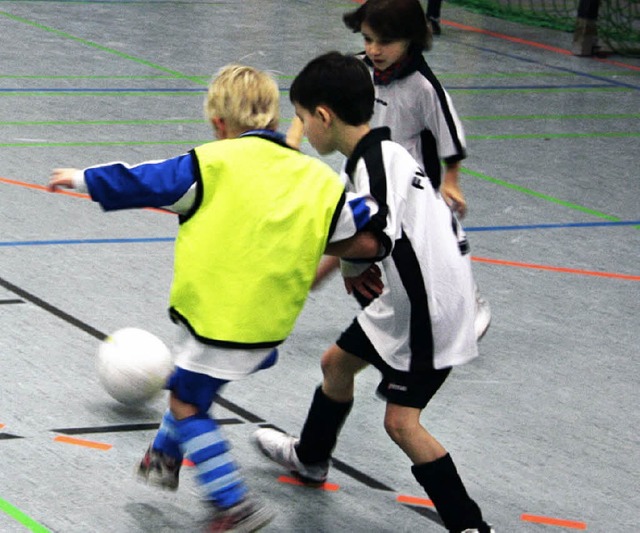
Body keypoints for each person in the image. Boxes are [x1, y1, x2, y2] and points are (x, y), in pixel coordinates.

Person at [48, 64, 382, 532]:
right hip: (267, 323)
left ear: (218, 125)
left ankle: (231, 505)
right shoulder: (320, 181)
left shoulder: (209, 165)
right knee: (194, 383)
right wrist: (359, 251)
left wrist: (82, 178)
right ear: (273, 118)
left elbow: (143, 180)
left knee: (187, 403)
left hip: (221, 320)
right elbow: (363, 221)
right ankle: (164, 457)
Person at [254, 52, 493, 533]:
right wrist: (327, 273)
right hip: (409, 299)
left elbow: (370, 237)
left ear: (324, 117)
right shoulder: (375, 158)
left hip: (429, 310)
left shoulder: (377, 166)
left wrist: (329, 253)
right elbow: (364, 237)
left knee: (401, 423)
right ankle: (311, 459)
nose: (300, 131)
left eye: (301, 119)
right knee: (335, 364)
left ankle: (470, 526)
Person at [303, 0, 491, 340]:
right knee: (353, 230)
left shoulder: (423, 87)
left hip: (412, 184)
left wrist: (451, 181)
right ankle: (327, 279)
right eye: (367, 39)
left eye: (384, 42)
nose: (374, 50)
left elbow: (450, 132)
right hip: (366, 169)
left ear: (411, 39)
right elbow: (317, 97)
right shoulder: (359, 70)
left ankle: (470, 300)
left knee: (428, 250)